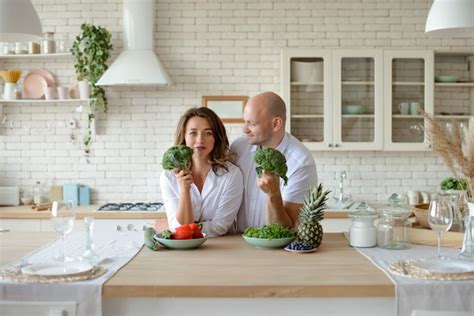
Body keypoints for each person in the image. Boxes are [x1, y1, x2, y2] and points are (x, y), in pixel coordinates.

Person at [231, 91, 318, 232]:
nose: (244, 129)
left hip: (281, 249)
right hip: (240, 243)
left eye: (251, 123)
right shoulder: (239, 147)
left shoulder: (301, 163)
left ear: (276, 123)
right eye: (244, 122)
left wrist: (274, 194)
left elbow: (285, 229)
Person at [159, 107, 244, 237]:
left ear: (216, 137)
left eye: (208, 133)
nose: (200, 140)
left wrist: (175, 227)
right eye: (193, 133)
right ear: (184, 137)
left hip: (223, 248)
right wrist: (185, 190)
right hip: (182, 251)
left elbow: (220, 226)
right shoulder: (168, 177)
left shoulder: (232, 175)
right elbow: (179, 229)